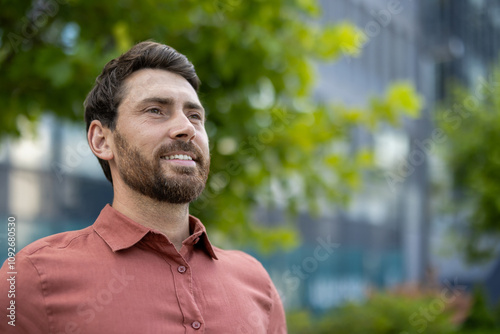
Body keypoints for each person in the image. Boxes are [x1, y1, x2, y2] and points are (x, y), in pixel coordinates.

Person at [0, 41, 287, 333]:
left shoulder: (256, 282)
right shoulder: (32, 279)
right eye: (155, 110)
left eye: (195, 115)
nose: (186, 127)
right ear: (102, 140)